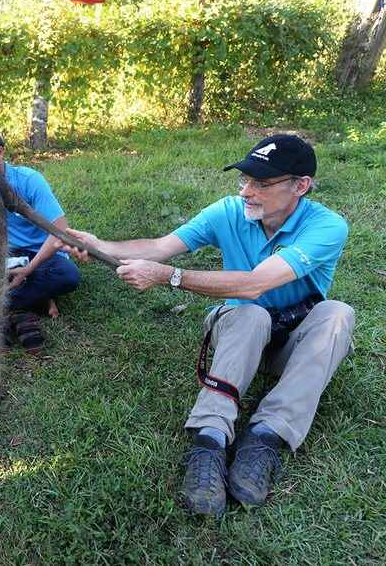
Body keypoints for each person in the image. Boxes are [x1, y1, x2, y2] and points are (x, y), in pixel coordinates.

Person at [59, 134, 354, 516]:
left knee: (337, 314)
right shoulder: (229, 211)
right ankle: (210, 440)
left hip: (292, 346)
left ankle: (266, 436)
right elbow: (159, 248)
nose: (247, 191)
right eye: (244, 179)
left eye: (261, 184)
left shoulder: (327, 227)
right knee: (251, 313)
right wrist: (101, 245)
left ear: (301, 186)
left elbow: (255, 283)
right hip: (239, 332)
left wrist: (170, 277)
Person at [0, 123, 81, 353]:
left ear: (0, 152)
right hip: (5, 256)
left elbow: (61, 232)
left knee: (68, 276)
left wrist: (29, 270)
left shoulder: (29, 180)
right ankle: (31, 303)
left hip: (43, 255)